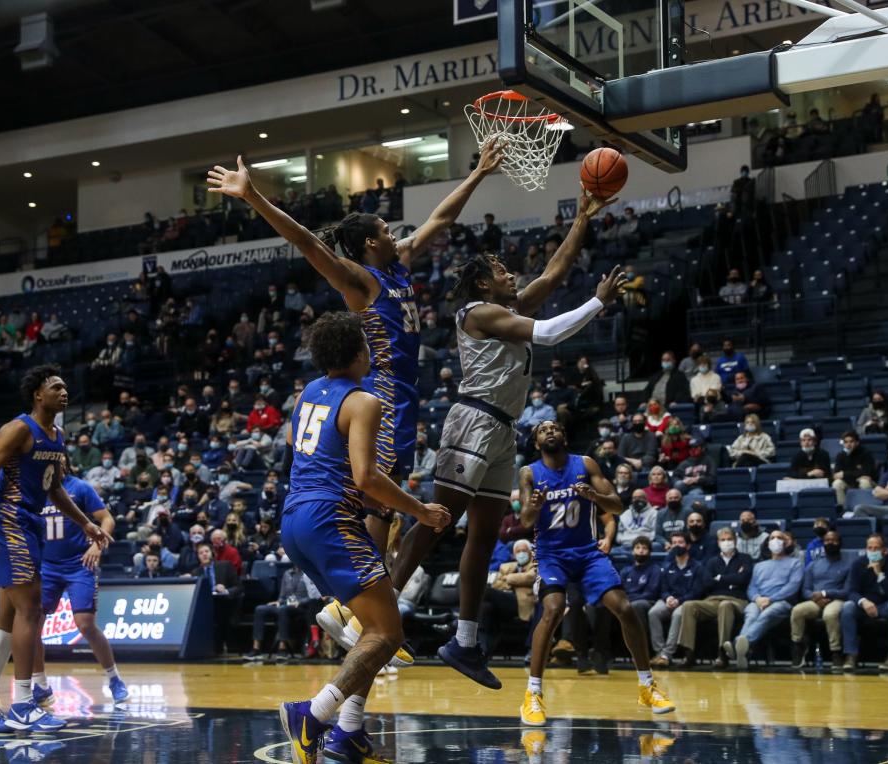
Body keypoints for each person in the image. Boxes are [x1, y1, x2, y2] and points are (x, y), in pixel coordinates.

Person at [210, 142, 500, 650]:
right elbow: (306, 243)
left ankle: (354, 606)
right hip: (383, 399)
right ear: (368, 243)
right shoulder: (361, 282)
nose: (396, 233)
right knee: (378, 505)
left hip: (404, 399)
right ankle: (349, 605)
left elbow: (443, 218)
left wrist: (477, 173)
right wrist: (253, 197)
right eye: (386, 230)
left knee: (383, 513)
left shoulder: (400, 264)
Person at [384, 189, 624, 690]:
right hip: (473, 421)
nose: (509, 272)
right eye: (498, 268)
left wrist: (580, 217)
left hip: (501, 428)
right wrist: (598, 301)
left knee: (485, 534)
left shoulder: (508, 309)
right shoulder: (479, 311)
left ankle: (465, 641)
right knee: (437, 520)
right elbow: (553, 334)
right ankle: (376, 611)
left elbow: (553, 274)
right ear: (480, 283)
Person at [268, 312, 450, 762]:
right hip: (330, 519)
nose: (371, 352)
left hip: (295, 518)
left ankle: (348, 733)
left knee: (371, 631)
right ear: (355, 353)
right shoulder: (364, 401)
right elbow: (366, 477)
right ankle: (313, 713)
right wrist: (421, 510)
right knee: (388, 635)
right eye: (366, 346)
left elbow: (305, 453)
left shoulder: (308, 392)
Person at [0, 366, 110, 733]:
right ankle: (23, 703)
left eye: (65, 385)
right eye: (56, 386)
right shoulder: (19, 429)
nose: (64, 391)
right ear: (37, 395)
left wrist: (85, 523)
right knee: (31, 608)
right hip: (9, 518)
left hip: (30, 522)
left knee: (8, 615)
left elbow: (55, 488)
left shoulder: (57, 436)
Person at [519, 421, 674, 727]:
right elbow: (525, 521)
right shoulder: (529, 472)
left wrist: (594, 496)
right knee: (551, 611)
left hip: (588, 552)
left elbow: (616, 506)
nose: (550, 431)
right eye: (543, 430)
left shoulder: (585, 464)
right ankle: (533, 694)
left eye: (555, 428)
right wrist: (534, 506)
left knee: (625, 609)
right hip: (552, 555)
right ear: (536, 442)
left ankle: (647, 685)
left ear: (564, 435)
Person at [33, 472, 128, 705]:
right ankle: (41, 684)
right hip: (47, 566)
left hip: (79, 564)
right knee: (32, 623)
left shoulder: (80, 487)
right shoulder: (34, 487)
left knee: (85, 624)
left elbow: (107, 518)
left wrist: (98, 543)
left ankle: (114, 678)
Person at [723, 529, 803, 670]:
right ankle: (744, 650)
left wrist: (770, 599)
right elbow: (751, 588)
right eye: (772, 537)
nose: (775, 540)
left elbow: (792, 587)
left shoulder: (795, 563)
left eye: (779, 537)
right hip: (759, 601)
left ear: (786, 543)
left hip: (782, 602)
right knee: (751, 614)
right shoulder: (759, 566)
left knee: (767, 614)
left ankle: (738, 645)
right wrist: (757, 599)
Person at [676, 527, 753, 668]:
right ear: (718, 543)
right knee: (688, 605)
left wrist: (720, 578)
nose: (726, 542)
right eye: (723, 540)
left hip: (737, 600)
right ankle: (688, 653)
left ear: (735, 541)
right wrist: (731, 580)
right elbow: (707, 582)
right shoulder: (711, 561)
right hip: (713, 600)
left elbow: (743, 579)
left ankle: (722, 653)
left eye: (729, 539)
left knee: (725, 605)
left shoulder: (745, 559)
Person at [790, 530, 849, 670]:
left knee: (830, 614)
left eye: (833, 540)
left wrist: (825, 593)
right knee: (797, 610)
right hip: (815, 600)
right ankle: (798, 647)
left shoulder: (848, 565)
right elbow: (805, 590)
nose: (830, 543)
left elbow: (847, 591)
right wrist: (815, 598)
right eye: (827, 540)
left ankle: (836, 652)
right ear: (823, 544)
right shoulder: (813, 565)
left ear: (839, 543)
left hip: (837, 599)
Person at [245, 565, 322, 662]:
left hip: (302, 607)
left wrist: (300, 602)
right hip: (285, 605)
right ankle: (256, 648)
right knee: (260, 609)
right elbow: (282, 595)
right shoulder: (287, 573)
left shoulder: (309, 574)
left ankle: (282, 648)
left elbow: (314, 597)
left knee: (283, 610)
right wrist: (279, 601)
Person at [840, 534, 888, 673]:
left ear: (884, 550)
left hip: (885, 605)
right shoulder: (858, 563)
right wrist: (863, 601)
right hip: (864, 605)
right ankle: (851, 655)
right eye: (870, 548)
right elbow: (851, 591)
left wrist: (879, 574)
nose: (873, 551)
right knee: (847, 607)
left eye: (877, 548)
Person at [649, 531, 702, 667]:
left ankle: (667, 654)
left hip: (687, 601)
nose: (677, 545)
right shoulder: (667, 565)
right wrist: (667, 598)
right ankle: (660, 652)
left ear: (688, 545)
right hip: (670, 599)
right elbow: (663, 588)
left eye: (680, 542)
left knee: (678, 614)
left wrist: (679, 600)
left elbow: (697, 591)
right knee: (653, 612)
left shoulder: (697, 566)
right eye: (674, 543)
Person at [192, 541, 241, 654]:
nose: (204, 554)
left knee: (221, 613)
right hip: (205, 606)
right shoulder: (196, 572)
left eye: (206, 551)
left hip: (226, 604)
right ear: (198, 556)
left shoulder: (225, 566)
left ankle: (226, 646)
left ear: (212, 553)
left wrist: (226, 590)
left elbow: (239, 587)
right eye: (201, 553)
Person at [833, 430, 876, 506]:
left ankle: (866, 507)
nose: (848, 444)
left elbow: (867, 472)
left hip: (866, 481)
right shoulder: (840, 455)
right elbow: (836, 474)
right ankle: (843, 509)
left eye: (851, 442)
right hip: (849, 482)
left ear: (857, 442)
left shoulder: (865, 453)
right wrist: (856, 475)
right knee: (837, 483)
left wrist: (845, 474)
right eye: (846, 442)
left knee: (864, 482)